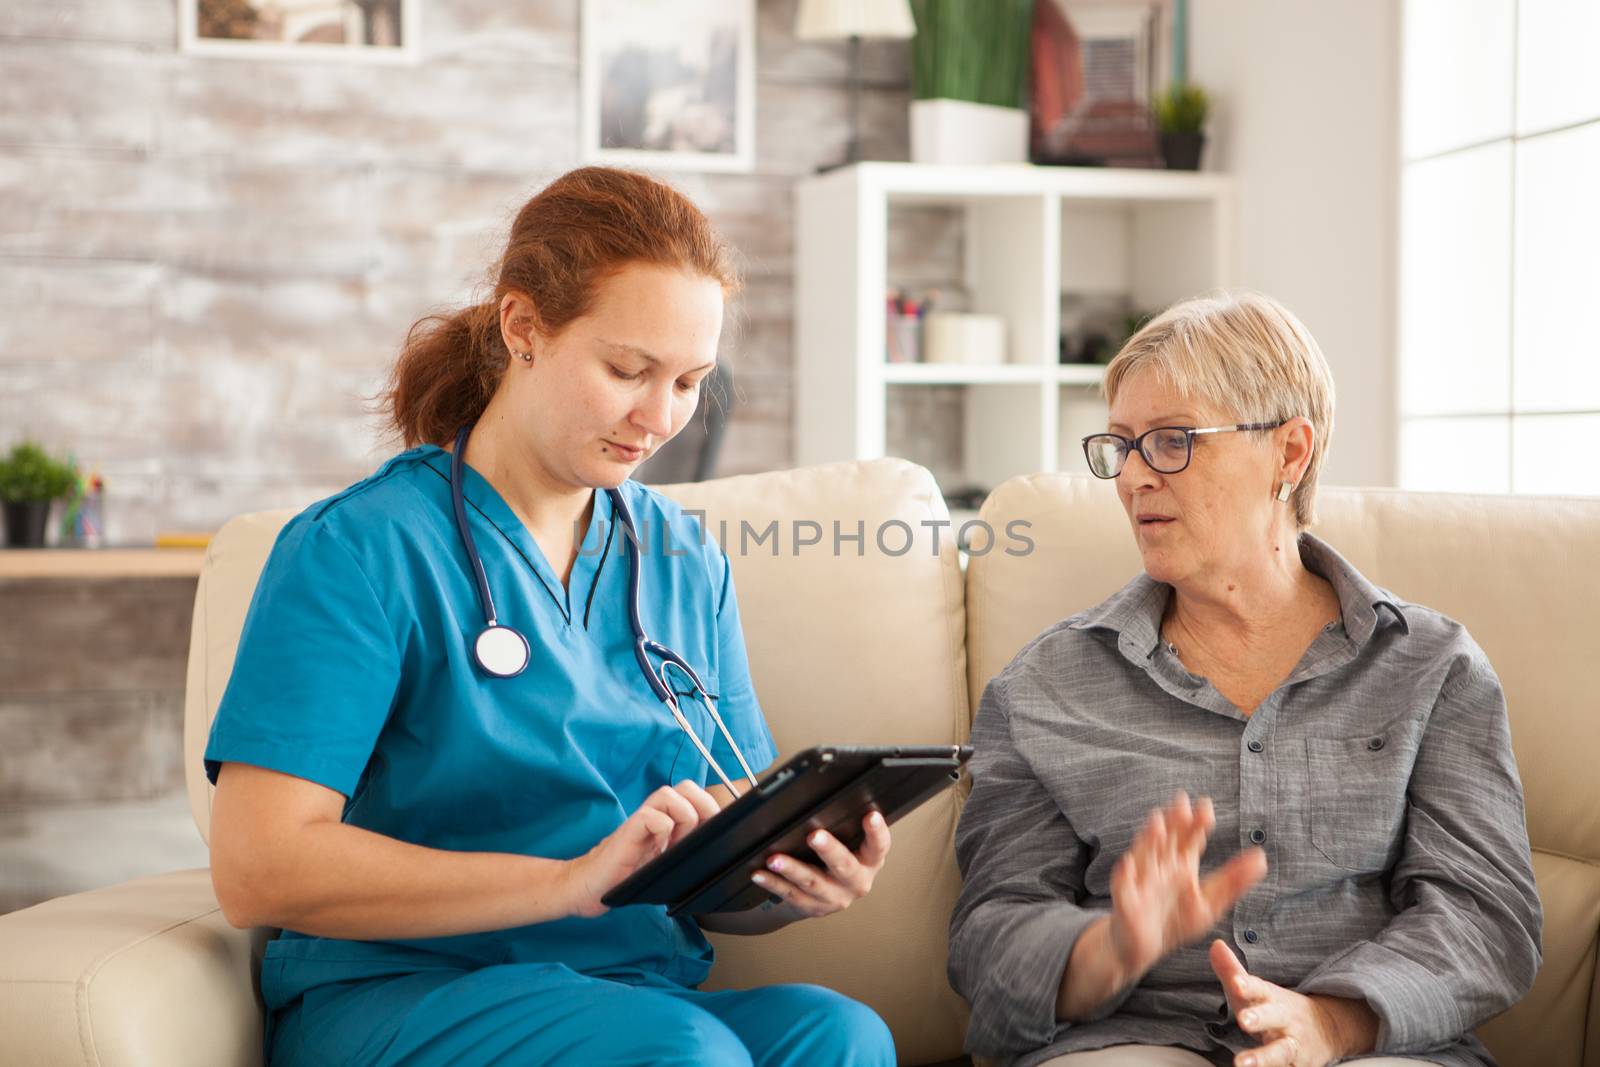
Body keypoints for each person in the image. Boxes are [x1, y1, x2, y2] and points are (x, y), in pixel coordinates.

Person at [204, 166, 896, 1067]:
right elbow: (257, 869)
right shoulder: (359, 550)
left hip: (629, 994)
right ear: (522, 327)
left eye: (689, 382)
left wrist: (792, 874)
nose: (659, 418)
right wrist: (567, 883)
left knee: (839, 1035)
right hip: (405, 992)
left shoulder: (683, 562)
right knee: (682, 1051)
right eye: (627, 370)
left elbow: (724, 836)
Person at [948, 292, 1541, 1067]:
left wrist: (1332, 1021)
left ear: (1290, 454)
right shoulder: (1044, 689)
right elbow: (988, 934)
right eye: (1120, 446)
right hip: (1135, 1039)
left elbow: (1484, 914)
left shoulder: (1431, 667)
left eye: (1170, 441)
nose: (1132, 478)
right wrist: (1112, 945)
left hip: (1369, 1048)